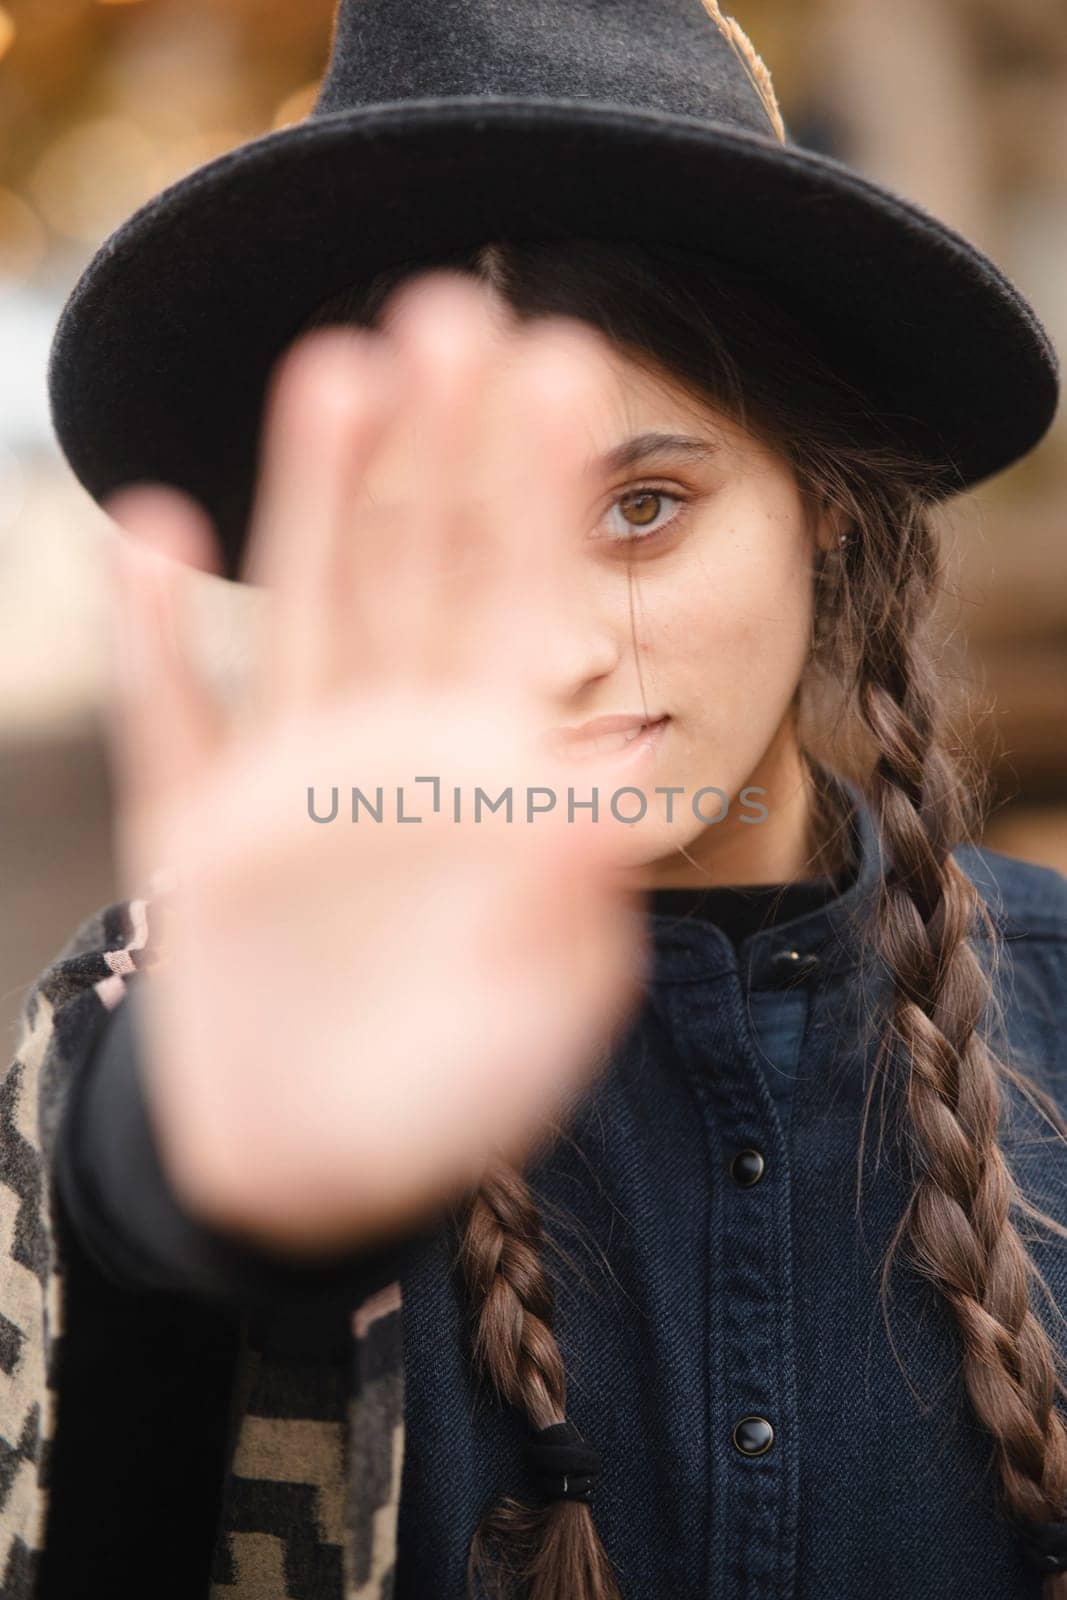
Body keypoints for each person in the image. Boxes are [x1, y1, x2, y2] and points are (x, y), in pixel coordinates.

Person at [3, 2, 1067, 1598]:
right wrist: (189, 1197)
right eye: (451, 536)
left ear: (824, 509)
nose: (559, 650)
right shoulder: (197, 1016)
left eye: (645, 508)